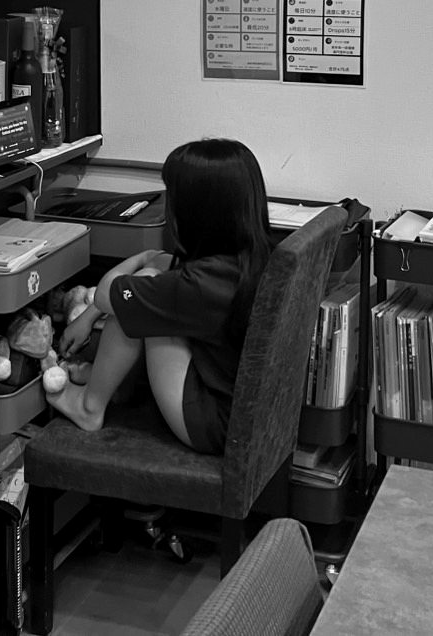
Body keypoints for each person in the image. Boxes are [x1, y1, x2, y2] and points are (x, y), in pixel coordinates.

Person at [47, 138, 272, 454]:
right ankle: (114, 387)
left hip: (212, 424)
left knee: (142, 291)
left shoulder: (195, 285)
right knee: (148, 287)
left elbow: (108, 293)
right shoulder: (247, 259)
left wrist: (143, 258)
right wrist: (88, 316)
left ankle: (89, 407)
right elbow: (162, 267)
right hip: (245, 413)